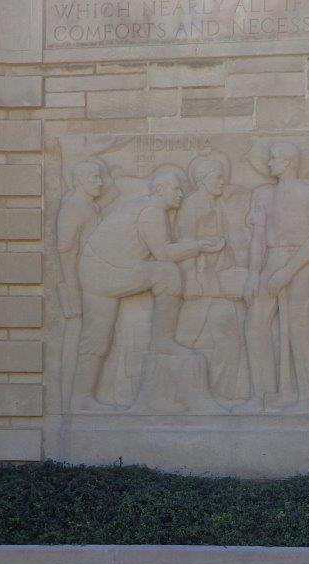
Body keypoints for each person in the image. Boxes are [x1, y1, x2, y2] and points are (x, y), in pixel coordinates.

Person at [70, 168, 224, 412]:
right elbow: (163, 253)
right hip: (108, 272)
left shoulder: (142, 206)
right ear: (159, 190)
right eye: (175, 189)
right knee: (166, 272)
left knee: (97, 338)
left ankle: (81, 398)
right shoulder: (152, 210)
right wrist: (199, 245)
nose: (180, 193)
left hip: (96, 272)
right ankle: (162, 342)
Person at [241, 142, 309, 413]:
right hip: (270, 261)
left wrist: (288, 270)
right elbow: (257, 238)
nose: (270, 164)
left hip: (299, 260)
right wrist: (253, 274)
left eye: (274, 160)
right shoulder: (264, 195)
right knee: (255, 325)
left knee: (299, 326)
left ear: (288, 162)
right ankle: (262, 395)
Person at [176, 153, 246, 402]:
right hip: (198, 284)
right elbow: (184, 243)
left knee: (229, 340)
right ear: (203, 180)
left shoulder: (217, 206)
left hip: (219, 285)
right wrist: (190, 278)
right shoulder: (192, 205)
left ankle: (221, 393)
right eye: (218, 177)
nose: (222, 182)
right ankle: (178, 396)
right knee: (183, 340)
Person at [55, 159, 106, 321]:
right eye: (95, 177)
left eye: (100, 177)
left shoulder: (93, 206)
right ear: (79, 180)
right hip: (82, 282)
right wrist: (73, 293)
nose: (100, 182)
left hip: (96, 276)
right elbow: (66, 250)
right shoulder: (73, 207)